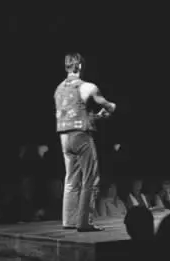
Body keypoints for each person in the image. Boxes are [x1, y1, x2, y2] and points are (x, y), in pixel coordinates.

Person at [52, 53, 116, 232]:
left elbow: (72, 114)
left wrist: (95, 117)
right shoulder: (87, 86)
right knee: (90, 178)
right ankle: (84, 222)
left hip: (64, 138)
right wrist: (111, 107)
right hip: (80, 136)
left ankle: (69, 220)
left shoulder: (58, 89)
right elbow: (107, 105)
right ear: (79, 66)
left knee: (71, 178)